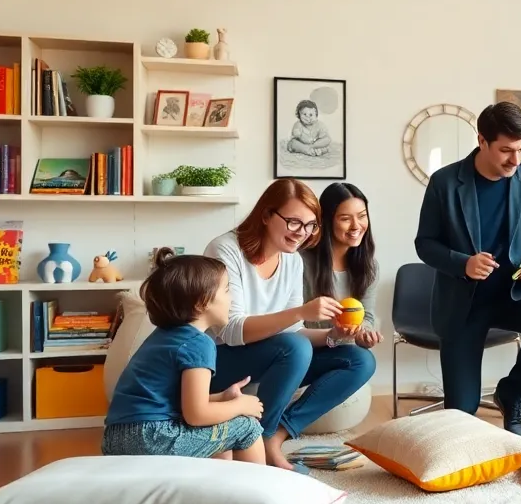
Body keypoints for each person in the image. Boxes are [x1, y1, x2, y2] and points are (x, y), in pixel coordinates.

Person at [413, 101, 521, 434]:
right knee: (461, 412)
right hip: (463, 302)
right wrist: (464, 263)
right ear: (482, 141)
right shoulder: (444, 182)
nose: (516, 160)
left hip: (517, 293)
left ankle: (511, 393)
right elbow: (425, 244)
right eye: (506, 150)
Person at [204, 178, 376, 471]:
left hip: (272, 356)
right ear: (266, 215)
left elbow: (293, 332)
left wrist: (333, 334)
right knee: (293, 347)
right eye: (294, 222)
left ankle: (275, 435)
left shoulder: (292, 260)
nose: (302, 233)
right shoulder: (226, 250)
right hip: (220, 361)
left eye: (310, 225)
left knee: (359, 360)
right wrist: (299, 312)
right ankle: (258, 440)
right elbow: (231, 331)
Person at [102, 248, 265, 464]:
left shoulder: (162, 337)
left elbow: (173, 401)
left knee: (221, 431)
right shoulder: (198, 343)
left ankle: (214, 483)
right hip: (152, 438)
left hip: (116, 439)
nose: (232, 298)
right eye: (227, 290)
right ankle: (261, 485)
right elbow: (196, 415)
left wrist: (221, 398)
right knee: (247, 426)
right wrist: (241, 406)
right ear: (201, 302)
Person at [302, 182, 382, 350]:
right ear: (327, 221)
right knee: (362, 360)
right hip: (307, 347)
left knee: (363, 359)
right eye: (345, 219)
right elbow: (293, 322)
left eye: (362, 216)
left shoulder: (370, 267)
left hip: (345, 348)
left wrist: (364, 334)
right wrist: (332, 334)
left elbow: (367, 316)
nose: (356, 226)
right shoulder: (301, 262)